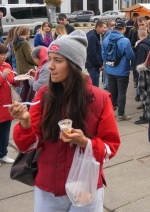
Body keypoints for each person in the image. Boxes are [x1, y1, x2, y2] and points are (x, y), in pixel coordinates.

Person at [9, 31, 121, 211]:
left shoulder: (99, 99)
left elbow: (111, 147)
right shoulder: (44, 95)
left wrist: (85, 142)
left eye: (58, 61)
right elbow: (28, 146)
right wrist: (25, 123)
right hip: (48, 188)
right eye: (50, 59)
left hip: (86, 186)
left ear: (74, 65)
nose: (50, 66)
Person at [102, 20, 135, 121]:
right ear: (124, 28)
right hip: (122, 71)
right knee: (121, 92)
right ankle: (121, 114)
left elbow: (103, 55)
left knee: (111, 91)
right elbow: (130, 56)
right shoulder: (125, 41)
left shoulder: (106, 39)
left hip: (110, 70)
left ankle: (110, 113)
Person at [0, 43, 19, 165]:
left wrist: (18, 80)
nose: (4, 56)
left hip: (7, 104)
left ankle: (3, 154)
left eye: (5, 54)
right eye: (1, 54)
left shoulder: (7, 65)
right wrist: (3, 76)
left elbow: (12, 81)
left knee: (5, 132)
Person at [13, 26, 36, 102]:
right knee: (30, 87)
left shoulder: (15, 42)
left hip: (20, 68)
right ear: (26, 32)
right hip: (28, 68)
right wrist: (36, 63)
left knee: (25, 87)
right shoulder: (24, 43)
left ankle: (24, 102)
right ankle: (27, 103)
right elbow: (29, 57)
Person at [86, 21, 107, 87]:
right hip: (93, 66)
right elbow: (92, 53)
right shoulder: (92, 36)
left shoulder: (95, 35)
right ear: (98, 27)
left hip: (93, 65)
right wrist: (99, 65)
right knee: (94, 86)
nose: (105, 29)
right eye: (104, 27)